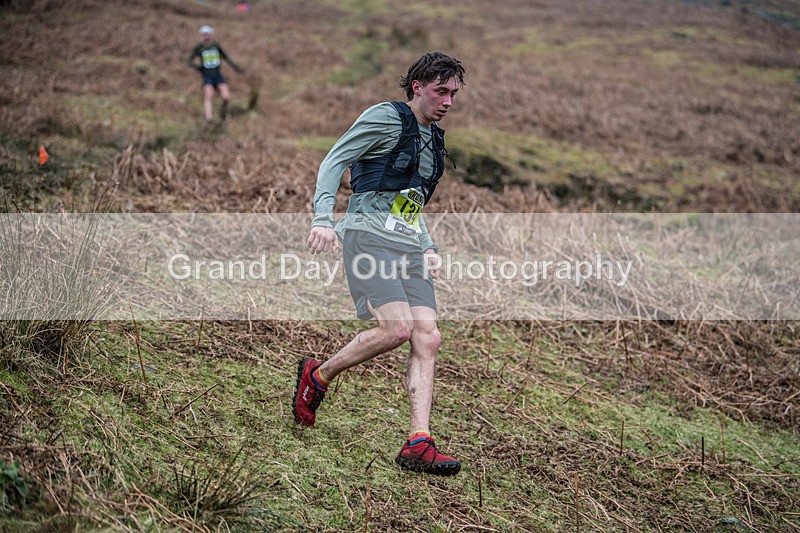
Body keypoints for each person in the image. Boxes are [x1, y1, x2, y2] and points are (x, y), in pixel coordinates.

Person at [292, 51, 465, 476]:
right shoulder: (384, 118)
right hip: (368, 237)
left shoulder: (433, 137)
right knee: (397, 330)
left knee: (428, 337)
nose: (447, 101)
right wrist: (323, 220)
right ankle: (319, 375)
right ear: (417, 87)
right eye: (440, 91)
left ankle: (418, 442)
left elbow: (410, 202)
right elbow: (333, 161)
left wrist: (428, 246)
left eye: (454, 94)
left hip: (407, 246)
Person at [187, 25, 242, 127]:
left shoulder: (216, 46)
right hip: (207, 76)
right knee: (208, 96)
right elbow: (189, 61)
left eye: (208, 34)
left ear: (211, 35)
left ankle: (222, 115)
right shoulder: (199, 48)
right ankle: (209, 120)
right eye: (204, 34)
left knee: (226, 97)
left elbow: (226, 57)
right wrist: (198, 68)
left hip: (217, 75)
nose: (206, 36)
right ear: (202, 36)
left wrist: (235, 67)